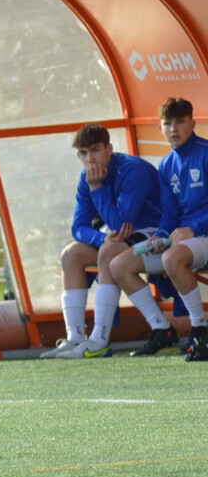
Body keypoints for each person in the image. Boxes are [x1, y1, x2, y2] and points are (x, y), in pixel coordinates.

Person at [41, 124, 162, 359]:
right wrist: (99, 236)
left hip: (153, 231)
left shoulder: (132, 170)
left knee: (109, 251)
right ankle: (75, 337)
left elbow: (122, 224)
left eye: (95, 150)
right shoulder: (85, 177)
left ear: (109, 149)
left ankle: (99, 340)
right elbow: (78, 227)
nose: (90, 159)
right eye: (84, 153)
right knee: (70, 254)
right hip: (117, 236)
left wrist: (96, 188)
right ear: (78, 155)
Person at [110, 97, 208, 360]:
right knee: (119, 265)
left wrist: (193, 228)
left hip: (203, 235)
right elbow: (170, 212)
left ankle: (200, 331)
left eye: (180, 122)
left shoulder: (206, 153)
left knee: (172, 258)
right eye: (168, 123)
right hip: (182, 242)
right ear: (160, 127)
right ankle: (162, 330)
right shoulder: (165, 164)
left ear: (193, 123)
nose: (173, 129)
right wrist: (163, 235)